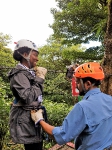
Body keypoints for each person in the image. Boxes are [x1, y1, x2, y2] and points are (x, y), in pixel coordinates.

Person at [31, 62, 112, 150]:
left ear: (88, 84)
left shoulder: (82, 107)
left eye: (77, 82)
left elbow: (62, 136)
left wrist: (39, 120)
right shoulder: (109, 99)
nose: (76, 86)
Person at [8, 39, 47, 150]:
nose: (37, 58)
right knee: (33, 147)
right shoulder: (19, 74)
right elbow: (28, 97)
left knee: (37, 145)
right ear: (25, 55)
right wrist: (39, 78)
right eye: (35, 55)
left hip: (33, 117)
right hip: (26, 120)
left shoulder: (28, 72)